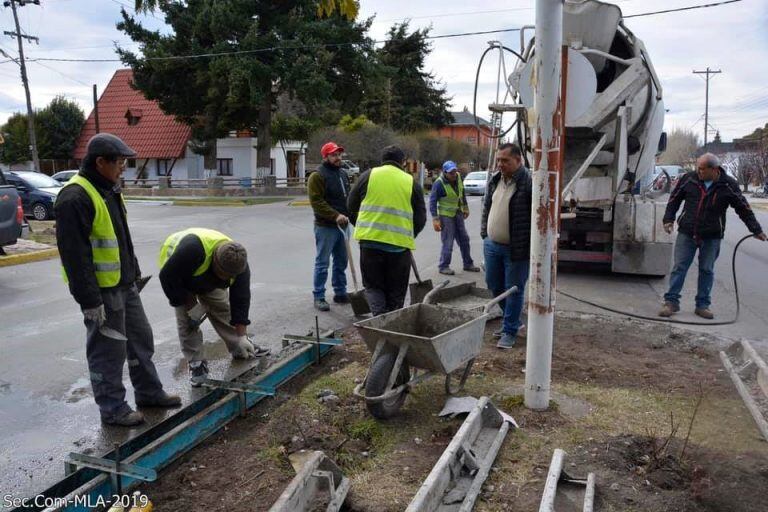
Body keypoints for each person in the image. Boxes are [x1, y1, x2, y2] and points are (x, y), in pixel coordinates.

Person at [55, 133, 180, 427]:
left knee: (140, 339)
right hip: (102, 291)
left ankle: (149, 393)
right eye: (120, 161)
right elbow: (75, 256)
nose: (124, 166)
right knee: (107, 351)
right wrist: (89, 301)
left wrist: (134, 273)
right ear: (100, 162)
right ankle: (112, 408)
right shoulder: (75, 197)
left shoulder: (108, 188)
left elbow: (121, 239)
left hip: (124, 285)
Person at [659, 153, 766, 318]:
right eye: (698, 168)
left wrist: (756, 230)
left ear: (714, 169)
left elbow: (743, 208)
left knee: (707, 270)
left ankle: (702, 305)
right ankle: (671, 302)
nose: (698, 171)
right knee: (679, 268)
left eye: (702, 169)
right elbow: (674, 200)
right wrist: (668, 219)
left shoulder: (728, 185)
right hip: (687, 232)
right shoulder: (689, 179)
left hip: (712, 236)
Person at [158, 228, 269, 386]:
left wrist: (242, 334)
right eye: (223, 275)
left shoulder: (240, 266)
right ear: (215, 262)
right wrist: (192, 307)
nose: (228, 279)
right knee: (187, 322)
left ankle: (240, 346)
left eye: (230, 277)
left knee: (222, 307)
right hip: (180, 276)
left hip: (203, 275)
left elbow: (241, 300)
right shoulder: (192, 251)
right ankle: (196, 364)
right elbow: (168, 278)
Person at [348, 145, 427, 315]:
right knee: (396, 291)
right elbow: (420, 218)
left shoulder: (367, 176)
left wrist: (363, 227)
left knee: (373, 287)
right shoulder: (410, 182)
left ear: (382, 160)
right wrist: (408, 234)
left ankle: (379, 321)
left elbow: (351, 206)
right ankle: (392, 324)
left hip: (370, 245)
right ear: (403, 162)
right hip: (398, 249)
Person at [480, 143, 532, 349]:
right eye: (498, 160)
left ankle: (509, 331)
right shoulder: (495, 180)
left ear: (518, 160)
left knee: (513, 290)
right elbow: (487, 206)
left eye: (505, 160)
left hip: (516, 249)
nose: (500, 164)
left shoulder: (528, 183)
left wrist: (526, 244)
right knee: (494, 285)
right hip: (492, 244)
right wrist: (485, 233)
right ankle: (514, 321)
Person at [307, 141, 350, 311]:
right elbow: (316, 202)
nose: (338, 157)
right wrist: (335, 215)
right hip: (325, 226)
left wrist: (349, 215)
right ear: (325, 156)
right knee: (323, 263)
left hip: (344, 225)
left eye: (339, 154)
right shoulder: (317, 176)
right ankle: (319, 296)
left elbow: (347, 198)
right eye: (334, 155)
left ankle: (340, 292)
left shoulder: (343, 174)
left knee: (342, 262)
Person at [430, 160, 481, 275]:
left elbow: (462, 192)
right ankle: (443, 266)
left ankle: (468, 264)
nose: (453, 175)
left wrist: (466, 207)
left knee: (464, 239)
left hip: (458, 213)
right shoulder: (439, 183)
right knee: (448, 241)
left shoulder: (458, 177)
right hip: (446, 216)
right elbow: (432, 202)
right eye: (450, 173)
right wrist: (435, 219)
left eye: (454, 172)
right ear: (445, 172)